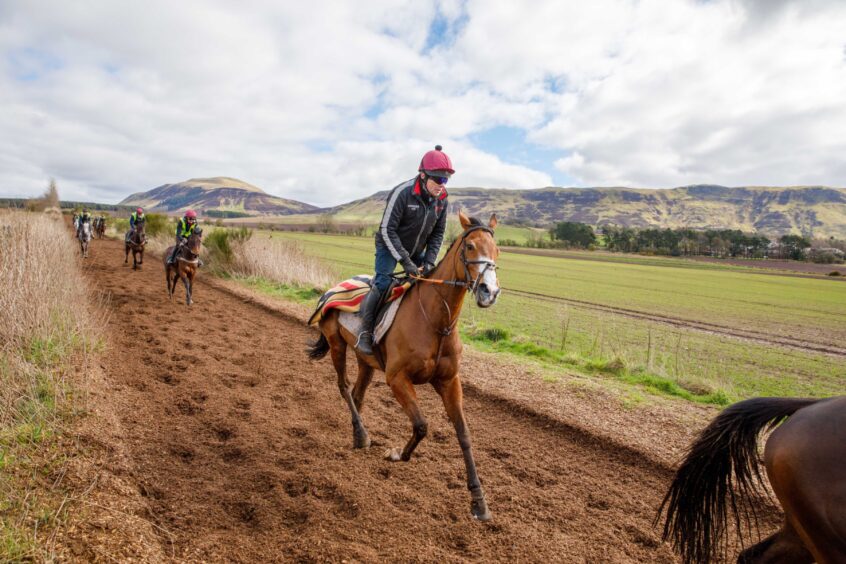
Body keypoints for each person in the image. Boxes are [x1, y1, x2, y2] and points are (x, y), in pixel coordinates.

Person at [355, 145, 452, 356]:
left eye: (446, 180)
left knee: (427, 282)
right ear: (423, 175)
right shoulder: (402, 193)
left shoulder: (442, 200)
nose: (441, 185)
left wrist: (429, 261)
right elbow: (386, 229)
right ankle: (365, 330)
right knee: (382, 284)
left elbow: (438, 234)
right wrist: (406, 261)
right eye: (438, 179)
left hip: (416, 249)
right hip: (389, 245)